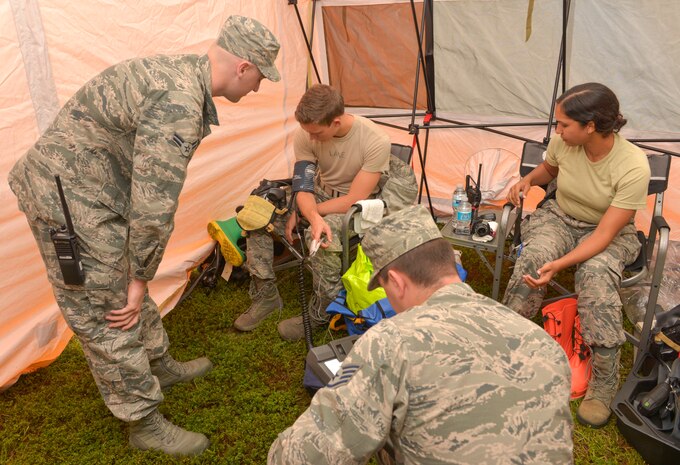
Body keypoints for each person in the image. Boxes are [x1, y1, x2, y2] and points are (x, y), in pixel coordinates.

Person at [8, 15, 280, 456]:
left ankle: (159, 362)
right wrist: (140, 278)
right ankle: (142, 419)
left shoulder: (178, 75)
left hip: (93, 192)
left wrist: (137, 272)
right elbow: (154, 205)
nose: (257, 89)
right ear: (244, 67)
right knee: (109, 307)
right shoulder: (179, 102)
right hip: (66, 201)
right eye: (260, 79)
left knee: (125, 283)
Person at [268, 205, 574, 465]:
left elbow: (301, 456)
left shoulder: (392, 342)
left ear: (397, 283)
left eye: (384, 289)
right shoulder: (543, 342)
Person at [502, 82, 651, 428]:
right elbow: (551, 170)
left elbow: (603, 235)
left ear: (592, 126)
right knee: (533, 256)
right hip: (560, 217)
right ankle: (507, 346)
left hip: (608, 232)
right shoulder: (564, 143)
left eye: (564, 124)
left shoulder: (632, 165)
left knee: (596, 274)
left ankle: (603, 379)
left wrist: (562, 264)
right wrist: (530, 180)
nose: (557, 131)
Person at [235, 84, 392, 341]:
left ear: (336, 122)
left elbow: (354, 199)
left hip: (357, 207)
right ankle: (266, 296)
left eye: (317, 133)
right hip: (319, 194)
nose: (312, 139)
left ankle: (323, 310)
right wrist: (308, 211)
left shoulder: (375, 141)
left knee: (320, 236)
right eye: (308, 132)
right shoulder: (306, 133)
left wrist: (309, 214)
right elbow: (304, 186)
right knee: (257, 211)